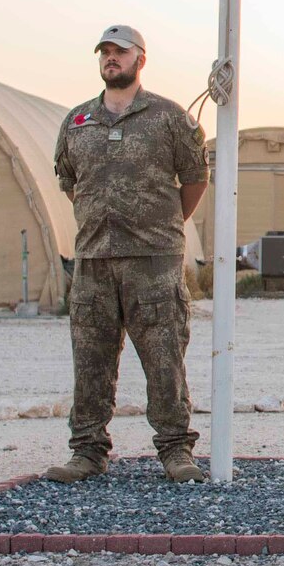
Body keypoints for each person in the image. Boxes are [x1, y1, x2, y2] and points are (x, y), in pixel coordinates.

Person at [44, 25, 209, 484]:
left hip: (152, 260)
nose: (111, 59)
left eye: (121, 52)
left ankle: (176, 451)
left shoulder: (169, 118)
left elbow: (195, 179)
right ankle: (88, 452)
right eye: (106, 52)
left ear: (141, 59)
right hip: (94, 260)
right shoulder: (78, 121)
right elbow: (69, 183)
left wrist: (164, 224)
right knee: (90, 361)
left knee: (164, 359)